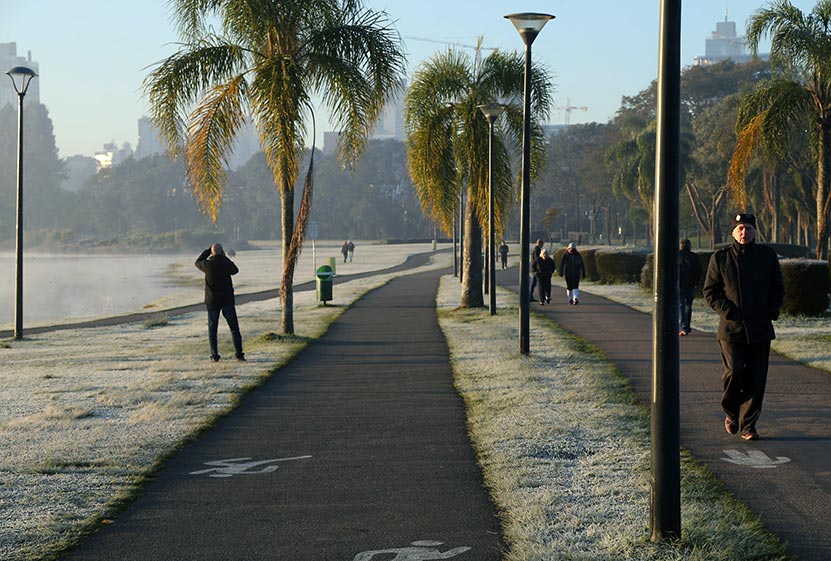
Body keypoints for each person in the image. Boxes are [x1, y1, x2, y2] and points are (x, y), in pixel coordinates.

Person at [703, 212, 784, 441]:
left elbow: (778, 288)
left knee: (756, 380)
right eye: (740, 229)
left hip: (760, 329)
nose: (744, 232)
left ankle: (749, 426)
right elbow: (710, 291)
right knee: (735, 371)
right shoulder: (720, 258)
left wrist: (771, 310)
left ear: (754, 232)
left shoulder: (767, 256)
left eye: (748, 228)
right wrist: (727, 310)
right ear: (733, 232)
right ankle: (731, 412)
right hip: (731, 329)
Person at [195, 243, 245, 362]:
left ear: (212, 252)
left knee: (213, 329)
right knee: (234, 329)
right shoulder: (225, 263)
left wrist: (208, 251)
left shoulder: (207, 265)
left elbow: (197, 262)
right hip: (227, 300)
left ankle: (214, 356)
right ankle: (239, 354)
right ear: (222, 252)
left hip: (212, 301)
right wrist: (223, 256)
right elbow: (235, 270)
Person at [678, 239, 702, 336]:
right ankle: (687, 325)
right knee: (688, 305)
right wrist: (695, 282)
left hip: (680, 284)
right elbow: (699, 270)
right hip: (691, 284)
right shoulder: (694, 256)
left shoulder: (677, 256)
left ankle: (684, 326)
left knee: (681, 305)